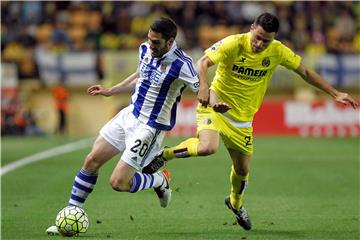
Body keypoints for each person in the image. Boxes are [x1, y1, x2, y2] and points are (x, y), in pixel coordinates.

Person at [143, 13, 358, 230]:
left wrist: (334, 92)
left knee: (242, 169)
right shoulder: (233, 43)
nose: (259, 43)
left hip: (243, 119)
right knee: (208, 147)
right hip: (215, 105)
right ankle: (165, 155)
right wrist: (205, 89)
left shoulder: (278, 51)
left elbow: (304, 71)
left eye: (266, 40)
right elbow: (203, 63)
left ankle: (236, 204)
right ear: (252, 28)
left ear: (274, 38)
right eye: (257, 37)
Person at [46, 17, 200, 235]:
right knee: (91, 160)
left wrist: (215, 106)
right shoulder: (145, 49)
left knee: (119, 182)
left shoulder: (182, 65)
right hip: (129, 115)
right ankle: (73, 212)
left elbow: (201, 89)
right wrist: (111, 89)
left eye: (156, 42)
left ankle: (159, 179)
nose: (151, 45)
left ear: (170, 41)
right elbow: (139, 74)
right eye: (149, 39)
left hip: (149, 127)